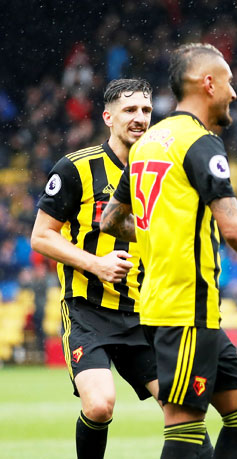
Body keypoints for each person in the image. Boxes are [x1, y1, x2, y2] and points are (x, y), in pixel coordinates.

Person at [100, 43, 237, 459]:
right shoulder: (201, 144)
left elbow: (110, 220)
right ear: (208, 83)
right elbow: (235, 230)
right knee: (184, 429)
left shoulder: (149, 142)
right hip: (183, 309)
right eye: (229, 82)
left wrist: (156, 235)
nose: (234, 93)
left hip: (181, 307)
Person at [30, 78, 162, 459]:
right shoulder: (76, 168)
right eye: (130, 110)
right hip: (88, 312)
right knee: (100, 404)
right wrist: (95, 264)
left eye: (146, 110)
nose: (140, 118)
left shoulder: (159, 172)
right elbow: (41, 236)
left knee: (181, 409)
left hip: (144, 312)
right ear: (108, 117)